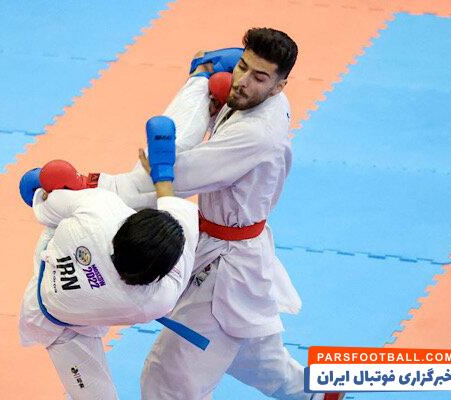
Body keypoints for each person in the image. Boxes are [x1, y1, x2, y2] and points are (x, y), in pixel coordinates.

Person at [106, 27, 339, 399]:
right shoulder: (259, 97)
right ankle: (319, 394)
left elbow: (176, 176)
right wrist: (213, 89)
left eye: (259, 77)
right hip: (231, 246)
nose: (242, 81)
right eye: (242, 66)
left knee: (168, 380)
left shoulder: (256, 133)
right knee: (258, 361)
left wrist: (109, 186)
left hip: (227, 271)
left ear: (280, 86)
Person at [18, 116, 201, 400]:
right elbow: (172, 203)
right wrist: (162, 171)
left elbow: (42, 200)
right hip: (67, 319)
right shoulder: (160, 298)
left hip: (59, 314)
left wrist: (50, 186)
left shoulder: (99, 210)